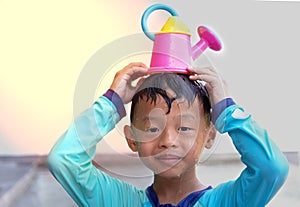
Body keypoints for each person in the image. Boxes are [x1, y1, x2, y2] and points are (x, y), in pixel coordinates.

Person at [48, 62, 289, 207]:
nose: (167, 141)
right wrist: (111, 103)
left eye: (183, 128)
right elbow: (64, 159)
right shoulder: (119, 201)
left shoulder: (225, 202)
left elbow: (272, 168)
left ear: (209, 136)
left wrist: (226, 110)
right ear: (132, 138)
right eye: (152, 129)